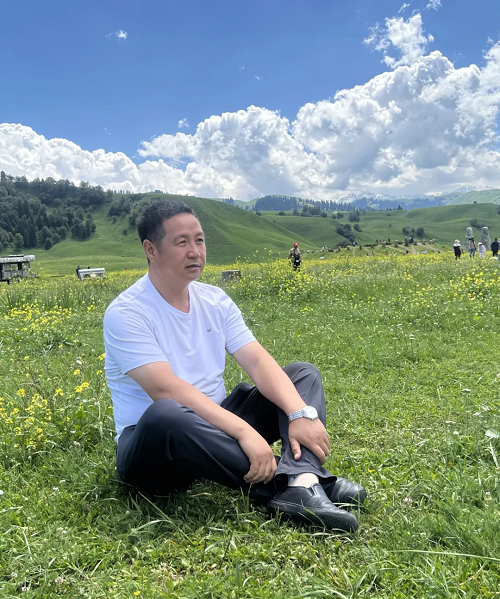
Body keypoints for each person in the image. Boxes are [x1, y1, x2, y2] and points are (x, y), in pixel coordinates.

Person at [104, 201, 366, 533]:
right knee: (165, 413)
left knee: (302, 374)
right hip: (157, 446)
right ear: (151, 250)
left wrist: (300, 413)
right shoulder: (127, 313)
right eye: (182, 242)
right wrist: (243, 432)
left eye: (199, 240)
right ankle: (289, 486)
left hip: (214, 425)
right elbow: (164, 389)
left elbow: (257, 361)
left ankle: (304, 479)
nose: (195, 251)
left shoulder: (214, 300)